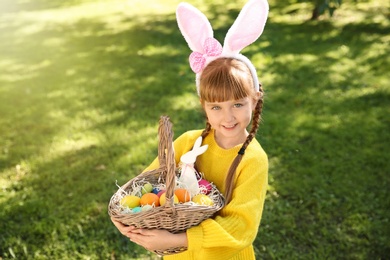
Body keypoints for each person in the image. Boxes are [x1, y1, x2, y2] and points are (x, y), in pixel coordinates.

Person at [111, 0, 269, 259]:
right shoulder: (187, 142)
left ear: (255, 98)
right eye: (216, 107)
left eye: (238, 104)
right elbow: (148, 183)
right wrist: (126, 215)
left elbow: (242, 227)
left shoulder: (252, 160)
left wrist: (179, 238)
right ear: (203, 106)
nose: (228, 117)